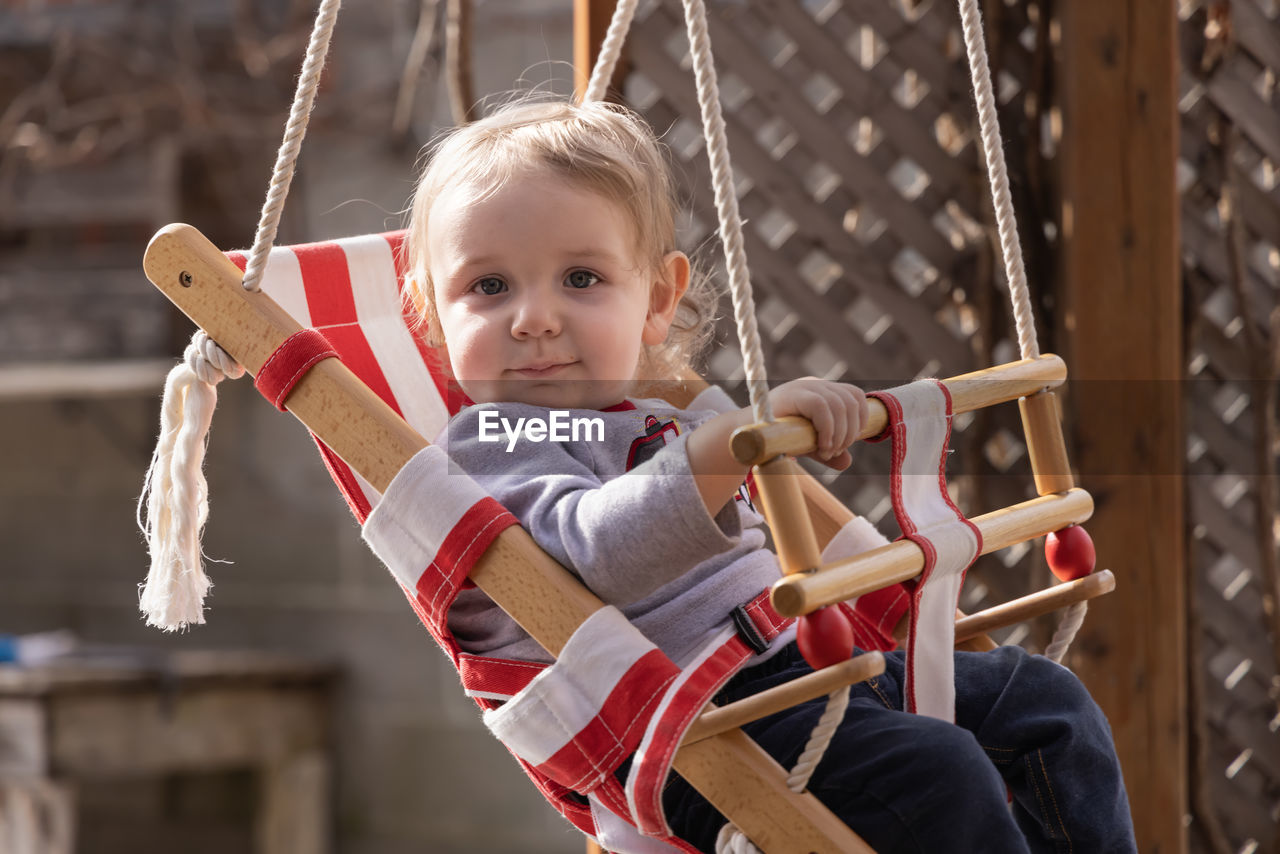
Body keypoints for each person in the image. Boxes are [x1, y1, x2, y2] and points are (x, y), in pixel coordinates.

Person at [402, 96, 1137, 854]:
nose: (535, 318)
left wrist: (793, 424)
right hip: (702, 731)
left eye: (580, 278)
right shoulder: (499, 436)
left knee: (1046, 703)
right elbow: (596, 554)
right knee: (942, 773)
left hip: (804, 674)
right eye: (489, 288)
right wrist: (723, 451)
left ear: (656, 300)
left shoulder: (663, 413)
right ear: (431, 312)